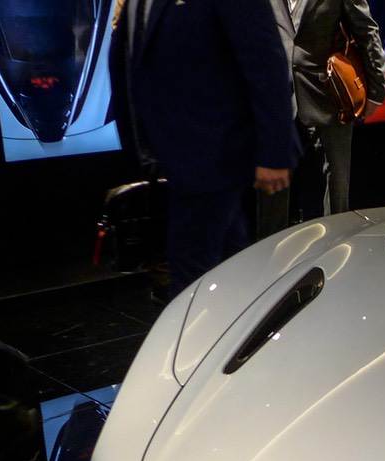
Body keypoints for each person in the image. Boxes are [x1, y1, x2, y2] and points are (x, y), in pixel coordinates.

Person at [110, 0, 298, 293]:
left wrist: (274, 151)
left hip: (213, 150)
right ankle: (253, 311)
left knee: (190, 273)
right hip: (172, 152)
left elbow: (266, 60)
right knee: (229, 258)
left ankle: (199, 323)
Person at [288, 0, 385, 221]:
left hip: (329, 96)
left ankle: (336, 240)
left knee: (335, 190)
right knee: (275, 193)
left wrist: (377, 90)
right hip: (280, 100)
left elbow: (366, 31)